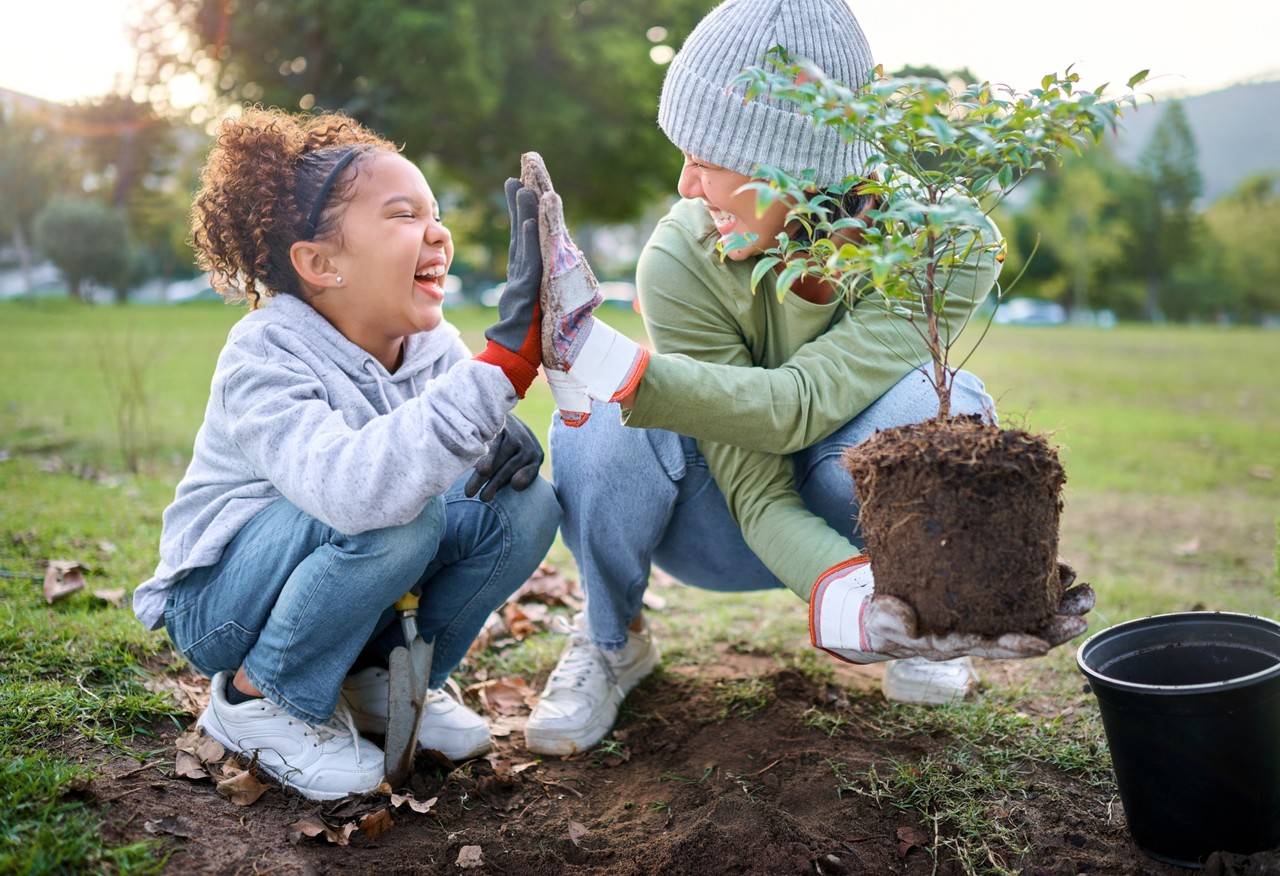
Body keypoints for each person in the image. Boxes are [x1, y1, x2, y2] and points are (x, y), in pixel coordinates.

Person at [523, 0, 1093, 756]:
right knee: (597, 424)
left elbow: (799, 407)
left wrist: (953, 590)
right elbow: (756, 491)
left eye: (707, 157)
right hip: (717, 523)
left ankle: (929, 612)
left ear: (790, 163)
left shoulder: (946, 241)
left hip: (860, 508)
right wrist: (844, 598)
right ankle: (611, 639)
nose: (687, 185)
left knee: (934, 401)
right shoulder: (681, 258)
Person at [132, 109, 560, 800]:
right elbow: (355, 491)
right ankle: (258, 699)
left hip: (342, 566)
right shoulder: (263, 353)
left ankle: (382, 681)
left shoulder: (432, 346)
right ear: (320, 263)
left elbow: (440, 442)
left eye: (435, 213)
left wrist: (487, 429)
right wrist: (500, 370)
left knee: (521, 504)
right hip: (223, 603)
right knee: (394, 515)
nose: (438, 233)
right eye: (402, 214)